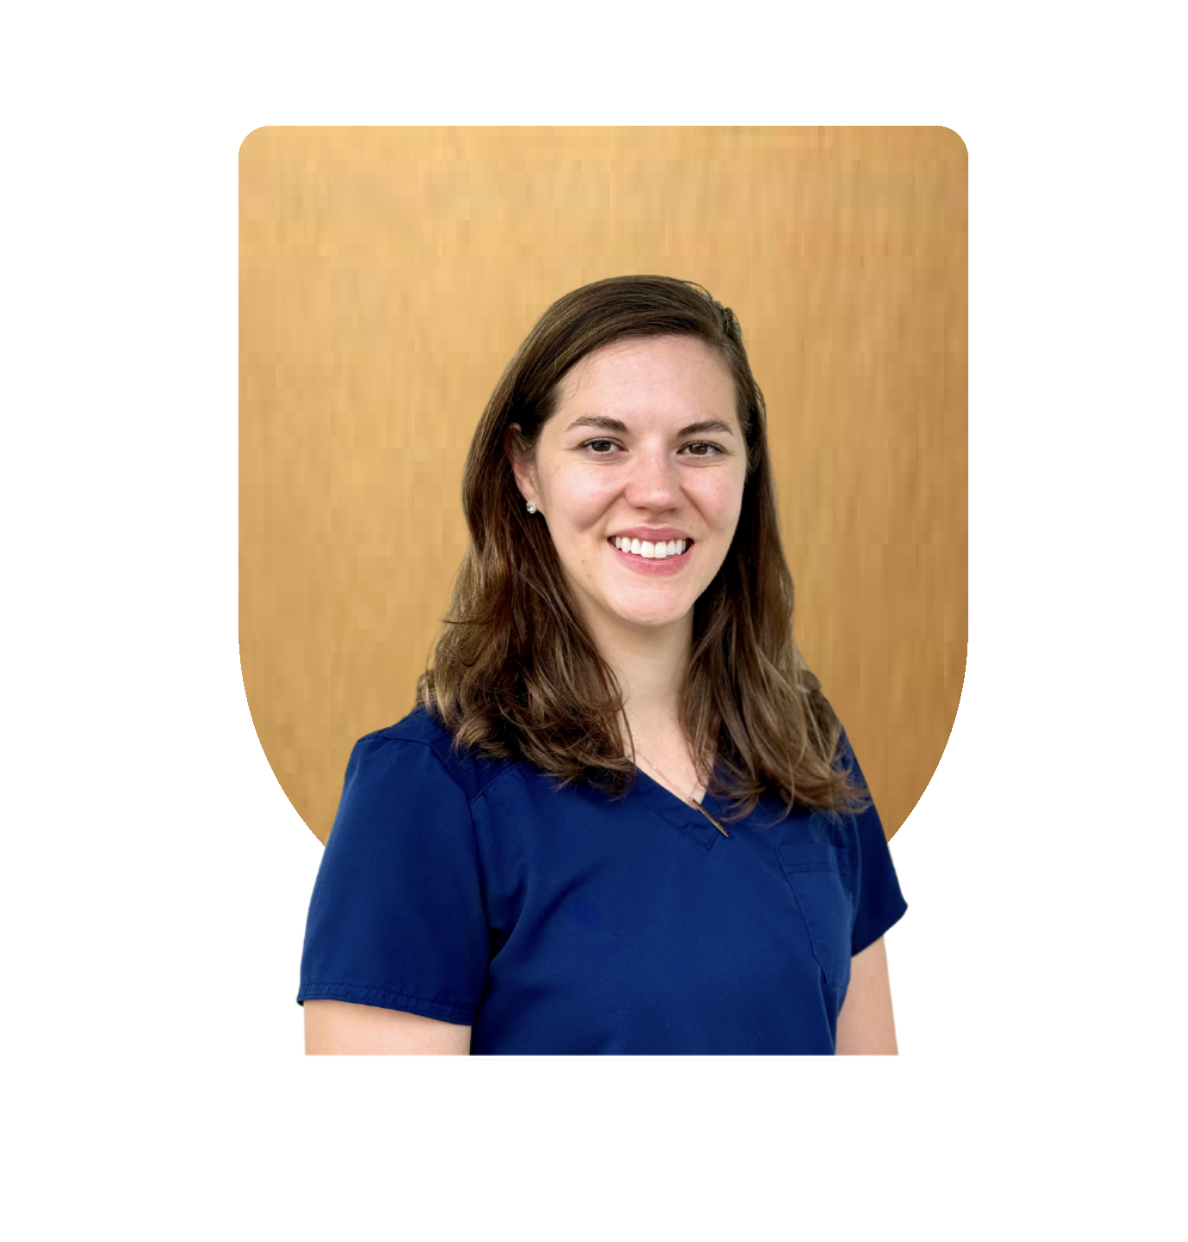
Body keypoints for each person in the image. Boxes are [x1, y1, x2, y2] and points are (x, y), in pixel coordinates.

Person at [297, 275, 907, 1054]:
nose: (656, 491)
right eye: (602, 444)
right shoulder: (424, 796)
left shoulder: (807, 749)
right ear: (524, 470)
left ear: (747, 473)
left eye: (700, 447)